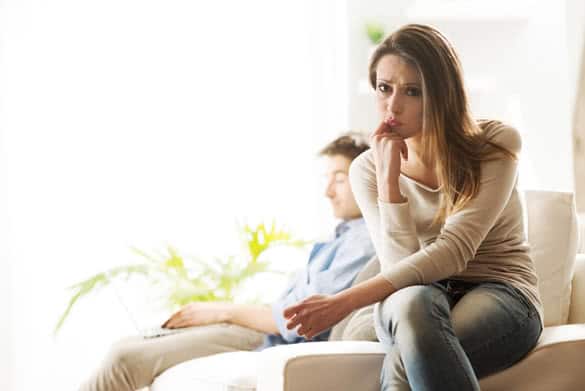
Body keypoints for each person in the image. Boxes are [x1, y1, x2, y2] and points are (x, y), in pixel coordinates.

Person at [284, 24, 543, 391]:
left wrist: (342, 302)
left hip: (500, 291)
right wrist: (390, 183)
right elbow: (401, 269)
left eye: (412, 91)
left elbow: (453, 252)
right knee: (413, 307)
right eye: (384, 88)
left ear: (442, 94)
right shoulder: (368, 170)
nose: (393, 106)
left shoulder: (494, 145)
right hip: (413, 299)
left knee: (409, 359)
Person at [78, 132, 375, 391]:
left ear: (366, 179)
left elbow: (295, 320)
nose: (328, 192)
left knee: (124, 360)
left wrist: (221, 311)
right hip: (262, 330)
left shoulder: (364, 241)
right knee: (124, 347)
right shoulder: (344, 235)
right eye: (327, 179)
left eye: (339, 178)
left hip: (271, 340)